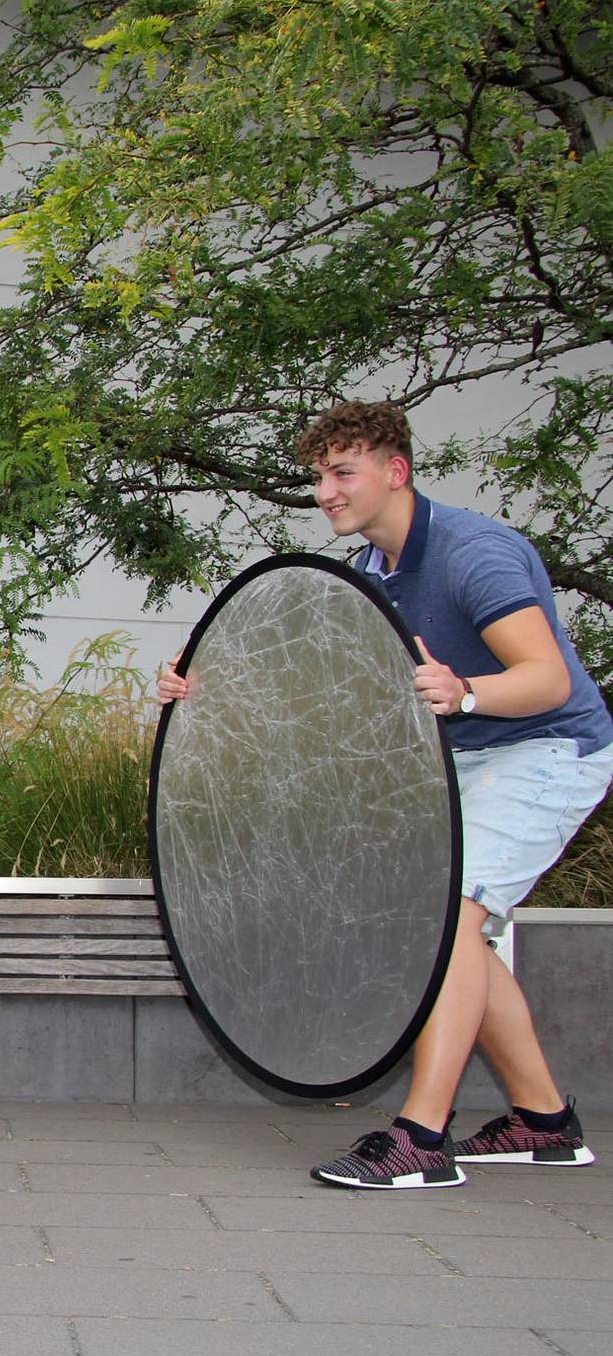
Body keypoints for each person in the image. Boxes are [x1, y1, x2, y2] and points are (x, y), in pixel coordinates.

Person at [159, 400, 613, 1190]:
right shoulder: (371, 576)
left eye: (342, 473)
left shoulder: (476, 554)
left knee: (452, 920)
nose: (326, 491)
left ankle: (421, 1141)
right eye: (318, 476)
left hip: (548, 748)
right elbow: (330, 696)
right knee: (455, 931)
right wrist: (203, 688)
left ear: (395, 473)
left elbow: (549, 680)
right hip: (463, 759)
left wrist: (465, 692)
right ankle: (543, 1123)